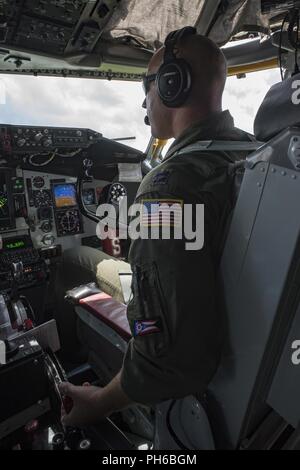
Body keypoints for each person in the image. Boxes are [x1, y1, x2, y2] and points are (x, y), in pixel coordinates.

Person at [58, 26, 254, 426]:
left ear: (171, 84)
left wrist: (99, 402)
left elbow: (167, 357)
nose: (145, 103)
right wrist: (140, 242)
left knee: (75, 256)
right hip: (240, 325)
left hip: (193, 355)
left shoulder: (168, 186)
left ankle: (66, 360)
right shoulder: (256, 149)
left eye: (146, 89)